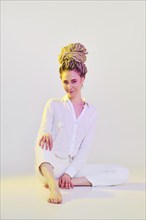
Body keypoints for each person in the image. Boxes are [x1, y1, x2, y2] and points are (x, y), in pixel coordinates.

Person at [35, 42, 129, 204]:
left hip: (73, 168)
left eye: (74, 81)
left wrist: (69, 174)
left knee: (122, 172)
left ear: (83, 79)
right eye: (65, 82)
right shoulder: (53, 104)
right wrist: (46, 132)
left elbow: (84, 150)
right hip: (51, 165)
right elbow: (45, 127)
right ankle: (53, 186)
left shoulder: (91, 112)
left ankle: (67, 183)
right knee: (40, 142)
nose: (69, 86)